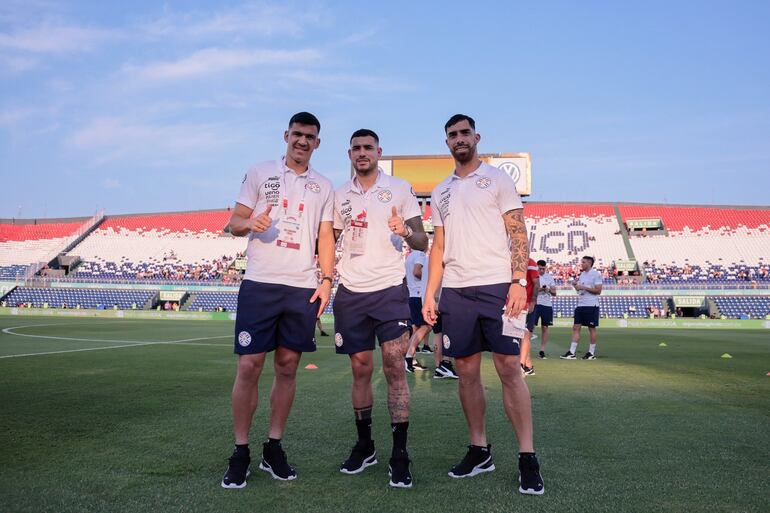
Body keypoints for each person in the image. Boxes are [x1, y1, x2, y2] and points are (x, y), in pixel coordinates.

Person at [422, 114, 544, 495]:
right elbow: (438, 246)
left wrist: (518, 281)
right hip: (456, 292)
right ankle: (480, 450)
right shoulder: (440, 190)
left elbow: (517, 230)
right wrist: (430, 292)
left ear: (476, 137)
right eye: (452, 135)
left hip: (497, 286)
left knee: (509, 368)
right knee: (467, 372)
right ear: (447, 143)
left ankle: (527, 457)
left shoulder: (498, 178)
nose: (458, 139)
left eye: (464, 133)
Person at [221, 112, 335, 489]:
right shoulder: (259, 172)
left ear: (318, 143)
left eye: (310, 137)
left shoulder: (324, 186)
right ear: (286, 135)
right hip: (260, 283)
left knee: (287, 367)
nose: (302, 141)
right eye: (297, 135)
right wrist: (249, 223)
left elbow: (325, 237)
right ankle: (240, 451)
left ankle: (273, 446)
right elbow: (233, 222)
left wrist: (327, 280)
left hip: (301, 286)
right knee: (250, 366)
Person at [332, 128, 428, 488]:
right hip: (351, 291)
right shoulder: (339, 195)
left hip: (389, 290)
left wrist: (403, 229)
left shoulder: (400, 189)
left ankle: (399, 453)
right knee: (360, 369)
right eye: (356, 148)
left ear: (378, 152)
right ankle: (365, 444)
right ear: (349, 154)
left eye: (367, 147)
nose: (362, 153)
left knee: (393, 366)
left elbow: (423, 240)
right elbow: (331, 237)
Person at [561, 255, 603, 360]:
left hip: (591, 305)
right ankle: (571, 352)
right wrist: (575, 285)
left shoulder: (596, 274)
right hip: (581, 304)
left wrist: (583, 287)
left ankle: (591, 353)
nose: (581, 264)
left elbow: (598, 291)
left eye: (583, 262)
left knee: (591, 329)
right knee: (576, 327)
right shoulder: (582, 274)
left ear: (589, 263)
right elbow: (580, 291)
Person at [404, 248, 430, 373]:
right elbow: (416, 272)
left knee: (416, 328)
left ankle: (411, 359)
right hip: (419, 294)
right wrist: (429, 279)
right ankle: (408, 357)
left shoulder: (409, 256)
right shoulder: (420, 254)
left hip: (413, 294)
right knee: (427, 326)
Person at [531, 260, 556, 359]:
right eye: (540, 268)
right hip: (536, 303)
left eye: (543, 268)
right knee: (530, 327)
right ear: (537, 267)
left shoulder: (549, 277)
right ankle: (527, 348)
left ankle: (542, 350)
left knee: (545, 328)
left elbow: (554, 293)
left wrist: (548, 290)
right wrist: (539, 289)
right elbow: (530, 290)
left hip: (547, 305)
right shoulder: (533, 277)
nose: (541, 270)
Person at [519, 258, 540, 376]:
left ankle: (521, 365)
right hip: (515, 303)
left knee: (525, 334)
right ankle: (528, 366)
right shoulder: (510, 261)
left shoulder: (530, 262)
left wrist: (532, 301)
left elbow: (537, 284)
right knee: (519, 335)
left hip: (527, 304)